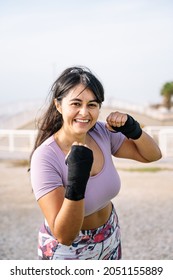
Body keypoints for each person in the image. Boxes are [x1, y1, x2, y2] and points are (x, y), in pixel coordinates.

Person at [30, 66, 162, 260]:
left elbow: (152, 155)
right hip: (68, 251)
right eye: (76, 103)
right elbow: (64, 235)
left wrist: (134, 130)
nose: (84, 112)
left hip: (109, 234)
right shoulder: (45, 157)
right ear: (58, 105)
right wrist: (77, 179)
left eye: (92, 105)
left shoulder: (101, 132)